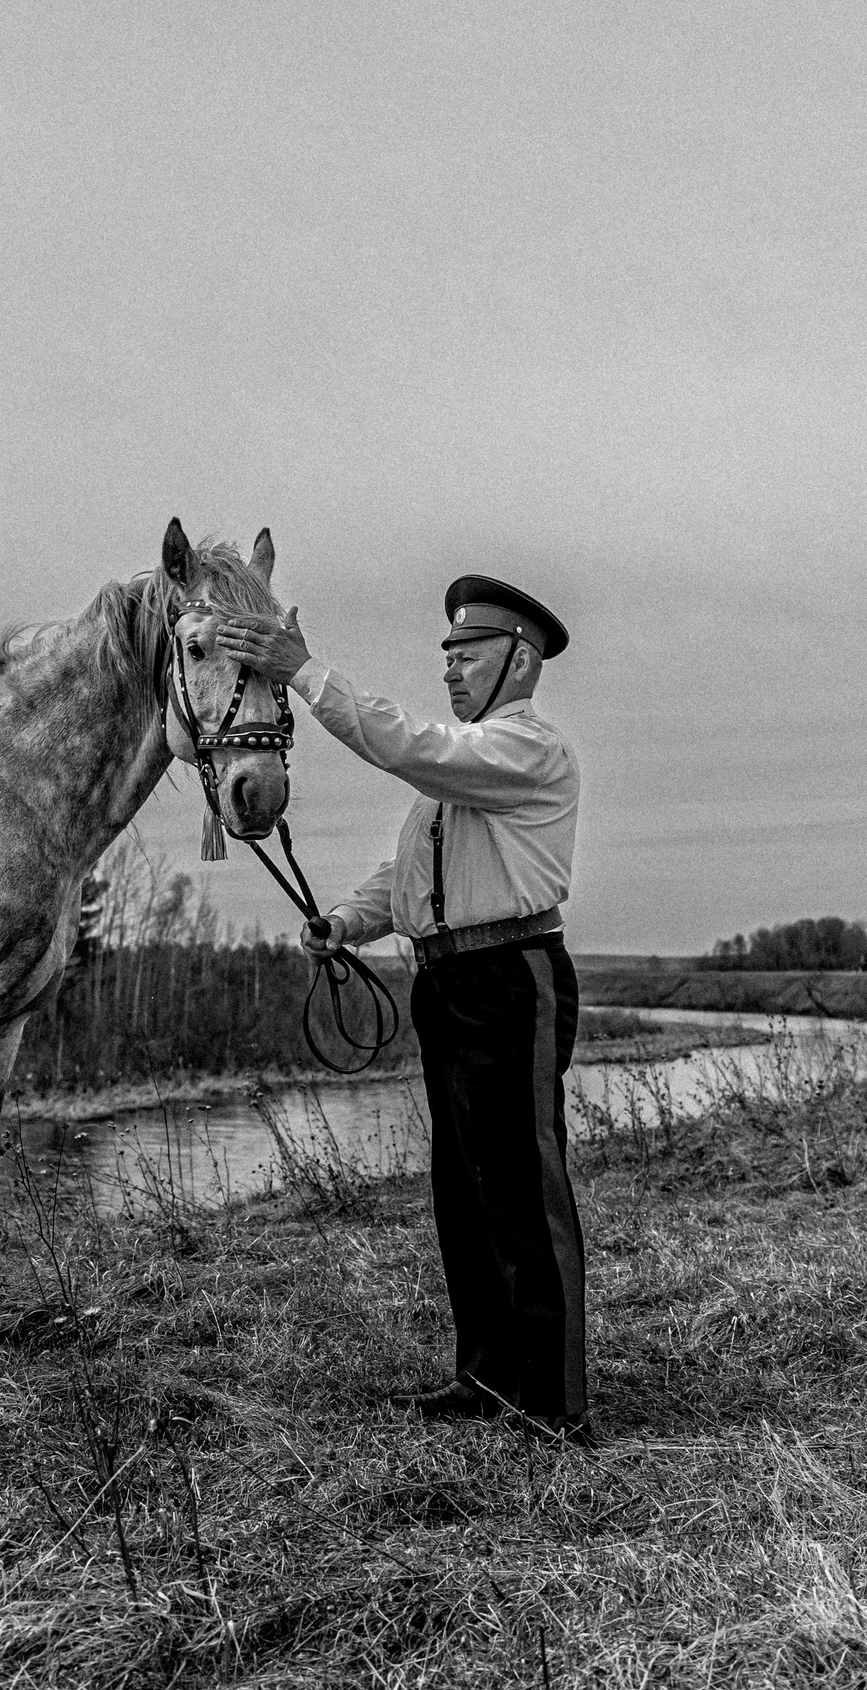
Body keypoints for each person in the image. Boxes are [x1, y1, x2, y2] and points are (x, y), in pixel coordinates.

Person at [218, 576, 589, 1442]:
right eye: (448, 655)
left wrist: (304, 671)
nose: (452, 668)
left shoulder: (527, 751)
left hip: (510, 978)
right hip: (448, 985)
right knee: (464, 1191)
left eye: (470, 653)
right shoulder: (461, 772)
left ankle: (554, 1401)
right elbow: (414, 874)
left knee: (523, 1190)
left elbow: (403, 743)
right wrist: (347, 919)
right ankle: (488, 1379)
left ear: (520, 660)